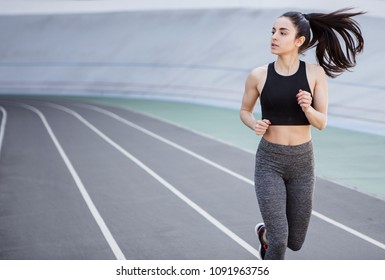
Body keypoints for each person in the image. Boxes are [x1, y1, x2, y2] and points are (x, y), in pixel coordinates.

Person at [240, 8, 365, 260]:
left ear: (299, 41)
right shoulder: (258, 75)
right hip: (269, 162)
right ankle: (271, 240)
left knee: (295, 242)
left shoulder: (315, 74)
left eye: (282, 32)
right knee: (279, 242)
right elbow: (244, 110)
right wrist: (253, 123)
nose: (274, 36)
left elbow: (321, 123)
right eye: (273, 31)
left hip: (302, 163)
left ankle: (264, 234)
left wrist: (308, 107)